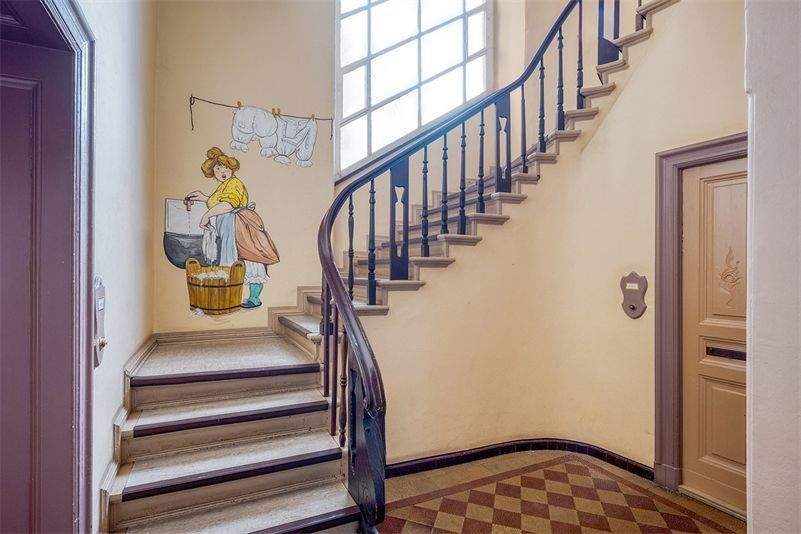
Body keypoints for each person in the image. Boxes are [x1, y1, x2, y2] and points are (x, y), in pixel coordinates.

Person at [185, 147, 279, 309]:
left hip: (241, 226)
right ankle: (235, 296)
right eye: (217, 168)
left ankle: (254, 298)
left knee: (249, 257)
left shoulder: (234, 184)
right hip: (231, 227)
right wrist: (203, 197)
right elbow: (220, 201)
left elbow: (228, 204)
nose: (221, 172)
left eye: (225, 167)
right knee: (238, 258)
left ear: (231, 168)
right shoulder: (225, 185)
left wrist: (206, 215)